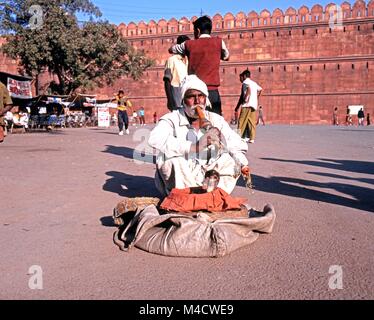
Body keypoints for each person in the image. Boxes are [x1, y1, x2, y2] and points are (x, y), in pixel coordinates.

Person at [148, 74, 249, 197]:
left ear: (205, 99)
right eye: (191, 96)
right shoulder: (172, 119)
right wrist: (195, 146)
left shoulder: (216, 119)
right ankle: (186, 197)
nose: (197, 101)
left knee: (230, 161)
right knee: (168, 159)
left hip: (206, 172)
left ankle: (213, 196)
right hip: (182, 177)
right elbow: (155, 139)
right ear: (183, 100)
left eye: (200, 96)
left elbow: (235, 144)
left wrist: (242, 163)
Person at [168, 16, 229, 116]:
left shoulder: (188, 44)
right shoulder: (219, 42)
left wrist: (186, 51)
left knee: (195, 123)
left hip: (195, 93)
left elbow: (171, 50)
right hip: (213, 92)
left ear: (198, 30)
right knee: (216, 121)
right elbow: (227, 56)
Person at [164, 35, 190, 111]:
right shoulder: (172, 60)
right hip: (177, 96)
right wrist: (169, 100)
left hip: (188, 95)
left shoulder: (189, 60)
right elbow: (167, 81)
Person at [236, 70, 263, 143]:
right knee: (251, 122)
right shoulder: (254, 83)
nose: (240, 79)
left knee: (241, 121)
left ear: (244, 76)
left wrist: (246, 99)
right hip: (253, 105)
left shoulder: (245, 82)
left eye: (241, 77)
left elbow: (248, 90)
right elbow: (260, 89)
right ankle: (252, 138)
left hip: (246, 105)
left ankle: (238, 137)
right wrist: (257, 98)